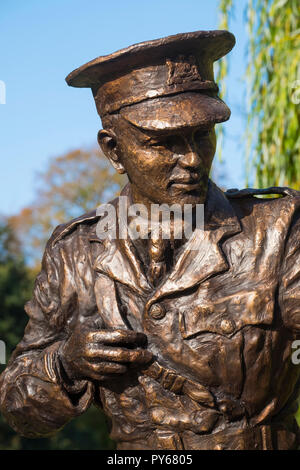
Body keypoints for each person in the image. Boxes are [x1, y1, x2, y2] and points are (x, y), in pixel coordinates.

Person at [1, 30, 299, 450]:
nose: (193, 159)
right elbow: (19, 408)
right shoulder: (75, 252)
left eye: (202, 135)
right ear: (114, 151)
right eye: (163, 143)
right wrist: (66, 365)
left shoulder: (277, 230)